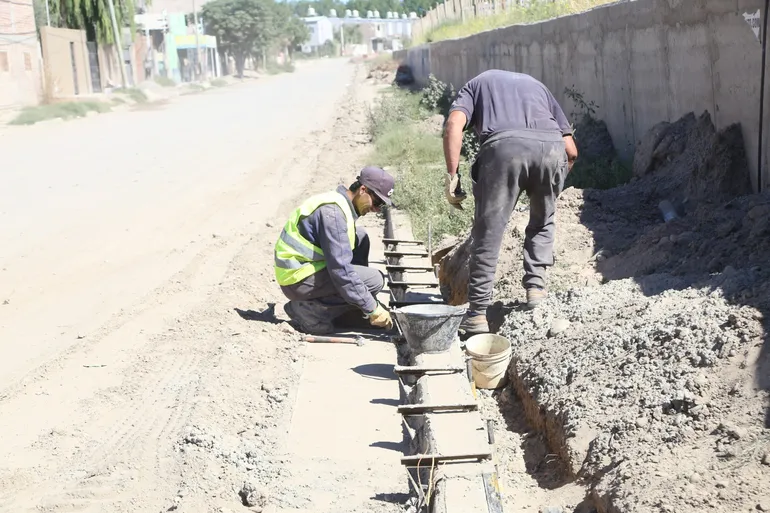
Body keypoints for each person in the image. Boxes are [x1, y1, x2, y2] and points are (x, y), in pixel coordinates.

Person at [443, 70, 578, 334]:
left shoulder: (475, 85)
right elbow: (571, 150)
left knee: (489, 231)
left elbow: (453, 125)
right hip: (552, 150)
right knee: (543, 221)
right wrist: (552, 186)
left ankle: (477, 314)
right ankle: (536, 291)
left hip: (504, 151)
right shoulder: (538, 85)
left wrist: (452, 175)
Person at [275, 166, 396, 335]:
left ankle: (349, 311)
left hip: (305, 269)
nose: (376, 209)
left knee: (360, 237)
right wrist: (372, 308)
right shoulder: (333, 214)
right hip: (297, 278)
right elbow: (342, 271)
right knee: (374, 280)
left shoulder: (339, 202)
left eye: (381, 206)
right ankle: (309, 311)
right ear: (363, 190)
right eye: (376, 202)